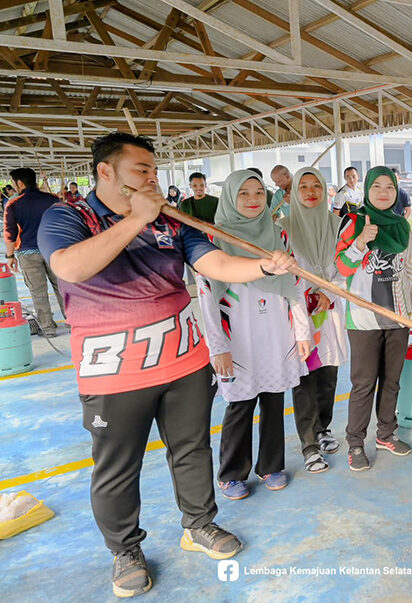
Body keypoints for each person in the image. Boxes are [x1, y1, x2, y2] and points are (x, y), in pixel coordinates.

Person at [38, 132, 298, 597]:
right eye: (142, 170)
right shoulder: (68, 216)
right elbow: (70, 268)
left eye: (155, 171)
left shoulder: (172, 222)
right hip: (113, 372)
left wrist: (264, 268)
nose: (152, 179)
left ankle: (199, 525)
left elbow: (214, 263)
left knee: (192, 448)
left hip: (182, 362)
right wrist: (133, 220)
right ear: (105, 171)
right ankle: (125, 549)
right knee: (117, 465)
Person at [198, 170, 311, 502]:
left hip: (276, 329)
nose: (252, 200)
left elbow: (295, 285)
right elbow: (206, 295)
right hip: (239, 333)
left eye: (258, 193)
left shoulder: (279, 236)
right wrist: (217, 345)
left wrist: (302, 331)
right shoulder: (215, 239)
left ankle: (271, 465)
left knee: (274, 398)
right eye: (243, 194)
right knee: (240, 403)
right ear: (231, 198)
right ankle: (232, 473)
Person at [335, 167, 412, 472]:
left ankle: (386, 434)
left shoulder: (402, 225)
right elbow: (340, 269)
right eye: (378, 187)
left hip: (398, 317)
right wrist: (361, 243)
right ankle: (356, 443)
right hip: (363, 320)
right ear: (368, 190)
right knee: (363, 384)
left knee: (392, 382)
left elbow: (411, 268)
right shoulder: (354, 221)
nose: (384, 193)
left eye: (389, 187)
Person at [279, 167, 348, 474]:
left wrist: (328, 293)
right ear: (294, 192)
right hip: (300, 310)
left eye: (316, 186)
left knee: (328, 373)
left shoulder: (336, 225)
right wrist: (311, 292)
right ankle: (308, 443)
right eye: (303, 186)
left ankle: (323, 428)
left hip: (329, 308)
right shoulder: (284, 228)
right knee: (304, 376)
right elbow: (285, 271)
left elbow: (345, 266)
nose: (310, 192)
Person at [3, 167, 63, 337]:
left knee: (38, 292)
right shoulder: (52, 199)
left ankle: (49, 329)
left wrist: (10, 256)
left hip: (28, 253)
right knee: (63, 287)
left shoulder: (13, 204)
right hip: (54, 249)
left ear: (19, 183)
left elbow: (9, 233)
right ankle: (74, 322)